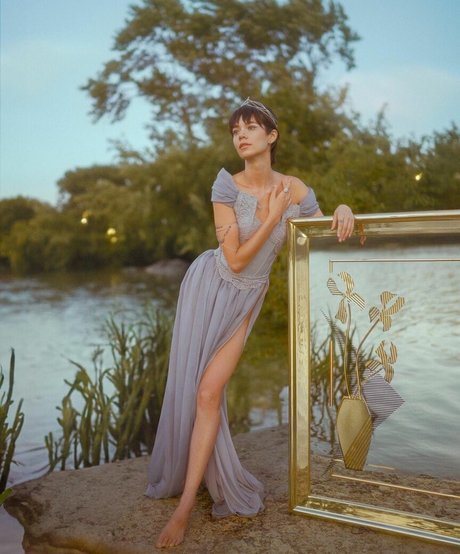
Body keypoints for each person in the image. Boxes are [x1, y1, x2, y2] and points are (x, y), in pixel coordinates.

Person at [145, 98, 354, 548]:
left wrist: (341, 209)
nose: (241, 135)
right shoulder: (226, 186)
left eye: (251, 127)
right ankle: (184, 508)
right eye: (235, 130)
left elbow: (321, 239)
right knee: (201, 391)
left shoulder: (295, 188)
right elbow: (236, 260)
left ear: (271, 136)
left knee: (209, 390)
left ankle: (193, 493)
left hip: (245, 300)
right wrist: (272, 218)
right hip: (210, 286)